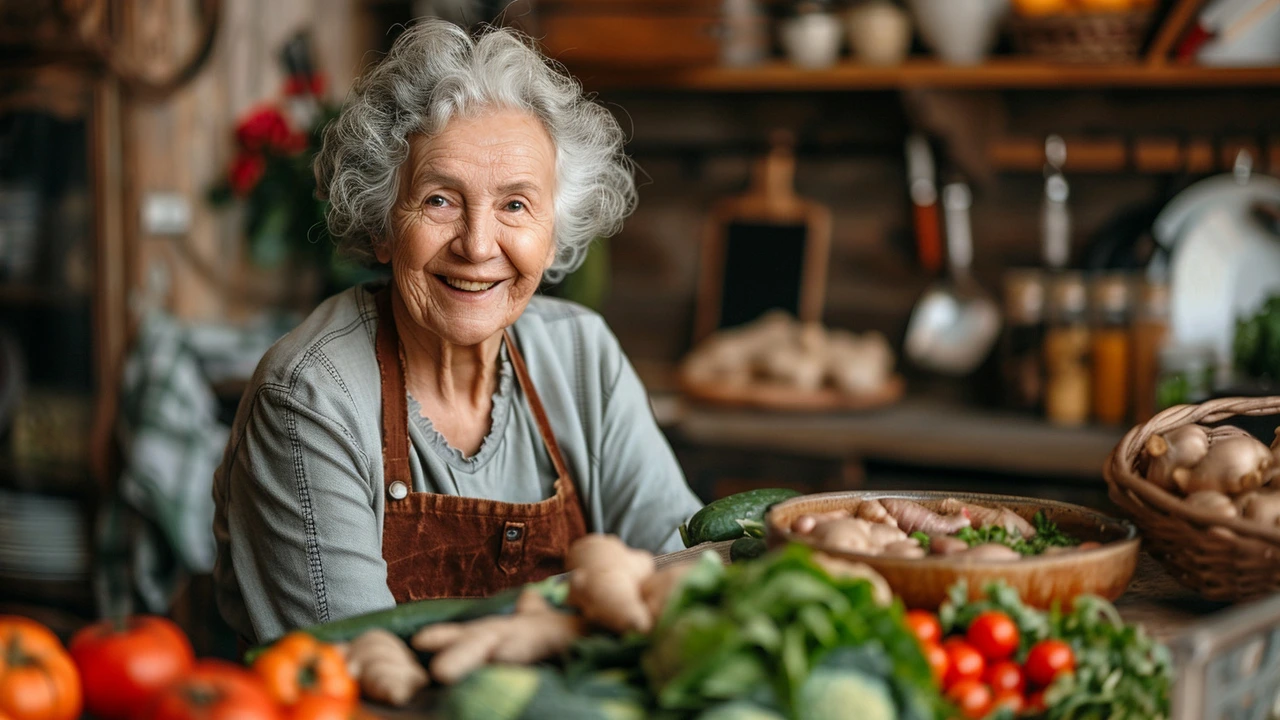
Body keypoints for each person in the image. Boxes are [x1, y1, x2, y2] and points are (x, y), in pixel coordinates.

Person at [212, 19, 704, 645]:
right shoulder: (310, 396)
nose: (477, 245)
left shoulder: (583, 355)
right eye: (440, 199)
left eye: (516, 205)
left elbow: (684, 566)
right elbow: (357, 669)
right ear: (383, 224)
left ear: (555, 234)